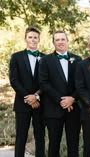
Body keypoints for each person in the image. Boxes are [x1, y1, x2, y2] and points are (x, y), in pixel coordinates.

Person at [39, 30, 81, 157]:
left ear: (67, 41)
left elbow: (81, 84)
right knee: (54, 145)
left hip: (73, 110)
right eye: (57, 40)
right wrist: (61, 100)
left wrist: (72, 98)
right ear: (53, 43)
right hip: (53, 109)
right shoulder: (45, 60)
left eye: (63, 39)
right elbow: (44, 83)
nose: (60, 42)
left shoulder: (77, 59)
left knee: (73, 144)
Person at [9, 26, 45, 157]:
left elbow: (46, 82)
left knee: (40, 136)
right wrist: (28, 97)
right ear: (25, 39)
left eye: (35, 37)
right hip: (22, 103)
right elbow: (14, 80)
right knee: (21, 137)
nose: (33, 39)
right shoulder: (16, 57)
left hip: (40, 103)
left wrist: (36, 96)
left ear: (39, 39)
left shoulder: (45, 58)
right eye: (30, 37)